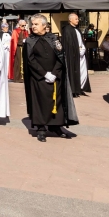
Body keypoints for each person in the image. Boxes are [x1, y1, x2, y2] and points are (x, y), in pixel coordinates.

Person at [23, 14, 78, 142]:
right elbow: (30, 60)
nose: (33, 27)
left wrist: (54, 72)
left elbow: (61, 56)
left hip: (55, 76)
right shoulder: (30, 41)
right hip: (39, 78)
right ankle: (41, 128)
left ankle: (56, 126)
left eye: (36, 24)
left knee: (56, 102)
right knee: (41, 102)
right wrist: (44, 74)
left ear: (44, 25)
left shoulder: (53, 39)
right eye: (33, 24)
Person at [61, 13, 91, 97]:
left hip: (81, 55)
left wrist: (82, 49)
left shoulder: (77, 29)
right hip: (73, 55)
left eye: (78, 19)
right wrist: (76, 51)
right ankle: (73, 90)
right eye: (76, 19)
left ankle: (80, 88)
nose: (78, 20)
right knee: (73, 71)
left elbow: (80, 41)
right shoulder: (67, 30)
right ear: (70, 20)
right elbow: (68, 44)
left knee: (82, 71)